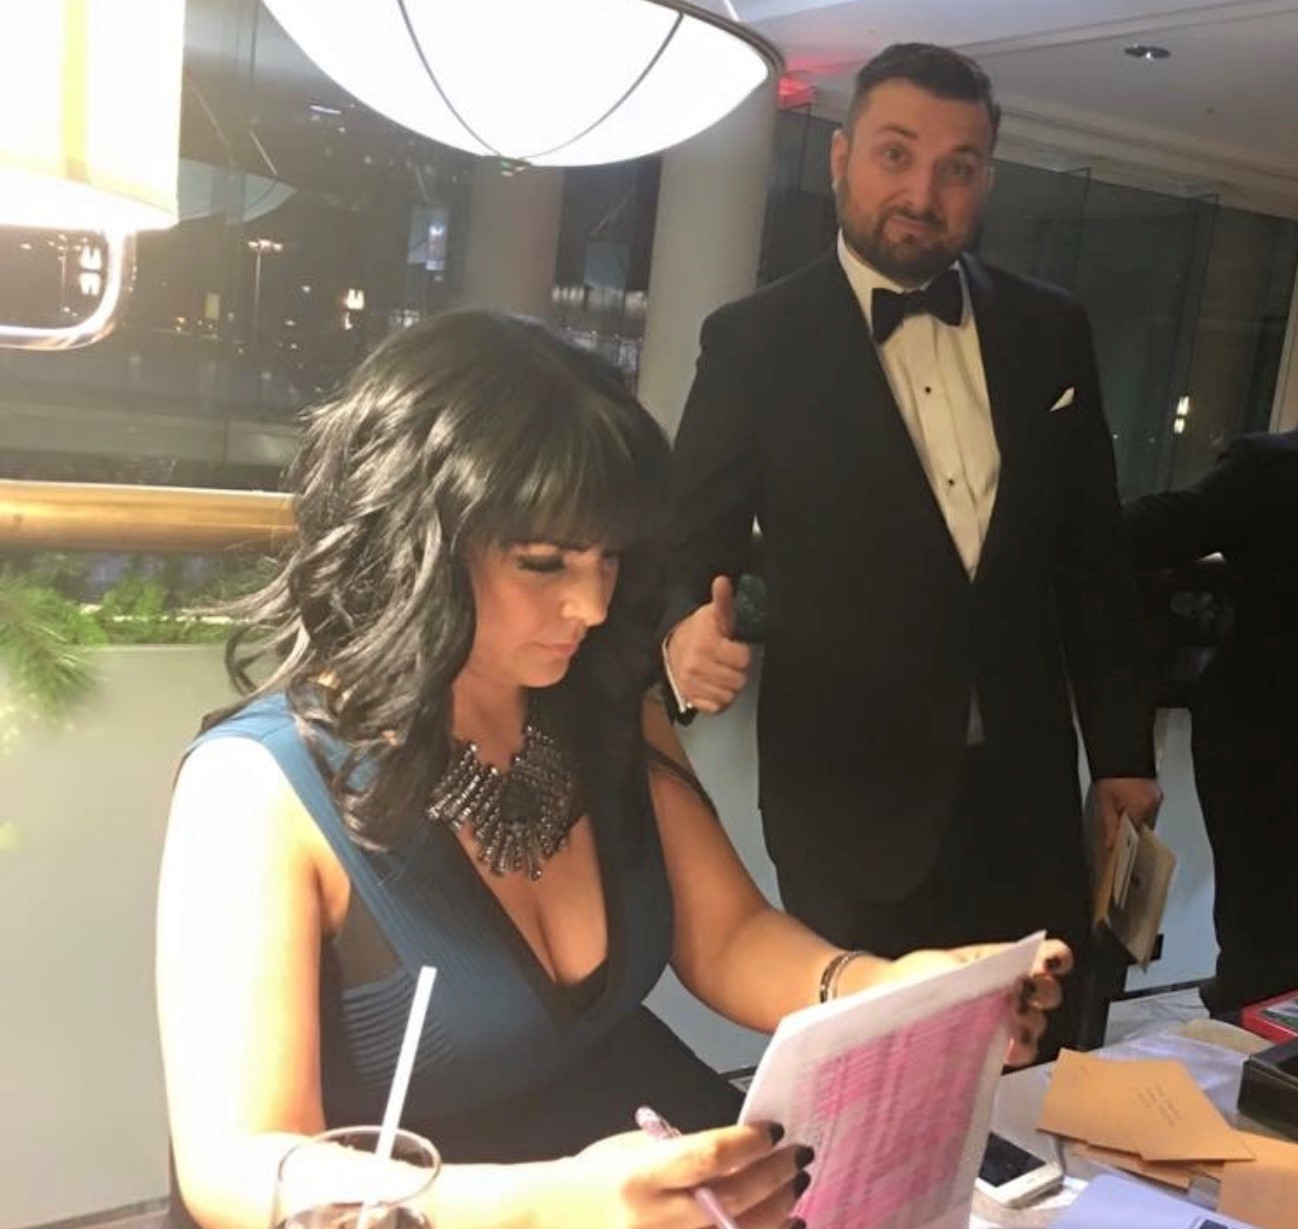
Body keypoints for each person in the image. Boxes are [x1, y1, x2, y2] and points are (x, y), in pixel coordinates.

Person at [156, 311, 1071, 1229]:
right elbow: (239, 1165)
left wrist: (890, 989)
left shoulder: (601, 704)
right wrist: (550, 1207)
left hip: (643, 1151)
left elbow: (730, 936)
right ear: (412, 544)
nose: (592, 605)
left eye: (609, 559)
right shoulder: (257, 789)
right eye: (543, 562)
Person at [664, 43, 1160, 1052]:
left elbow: (1091, 563)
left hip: (1024, 802)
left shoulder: (1050, 330)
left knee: (1036, 1058)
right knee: (869, 1080)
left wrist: (1120, 757)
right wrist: (681, 631)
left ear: (986, 179)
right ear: (841, 157)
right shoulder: (754, 342)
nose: (922, 194)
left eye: (955, 167)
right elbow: (682, 541)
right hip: (849, 811)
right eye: (895, 154)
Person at [1126, 427, 1298, 1014]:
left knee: (1262, 946)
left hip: (1266, 741)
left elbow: (1149, 532)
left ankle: (1247, 1036)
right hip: (1263, 738)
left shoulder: (1272, 469)